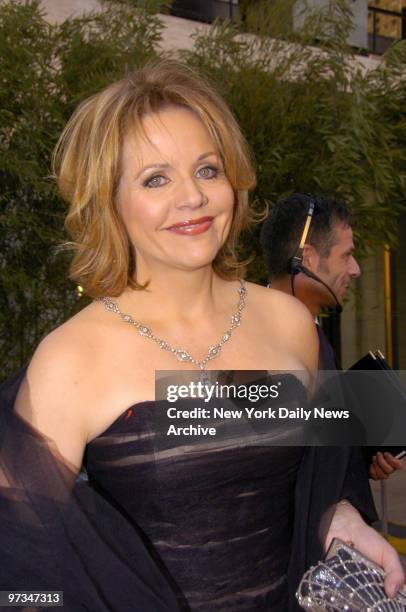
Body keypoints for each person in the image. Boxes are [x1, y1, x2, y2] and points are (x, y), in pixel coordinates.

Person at [0, 61, 404, 612]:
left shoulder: (288, 323)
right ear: (110, 202)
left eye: (208, 170)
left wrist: (342, 515)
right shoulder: (72, 357)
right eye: (155, 179)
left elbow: (320, 466)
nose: (192, 197)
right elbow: (22, 573)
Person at [260, 193, 404, 481]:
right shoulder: (262, 348)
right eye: (347, 255)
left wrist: (357, 460)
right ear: (308, 258)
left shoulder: (305, 335)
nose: (356, 270)